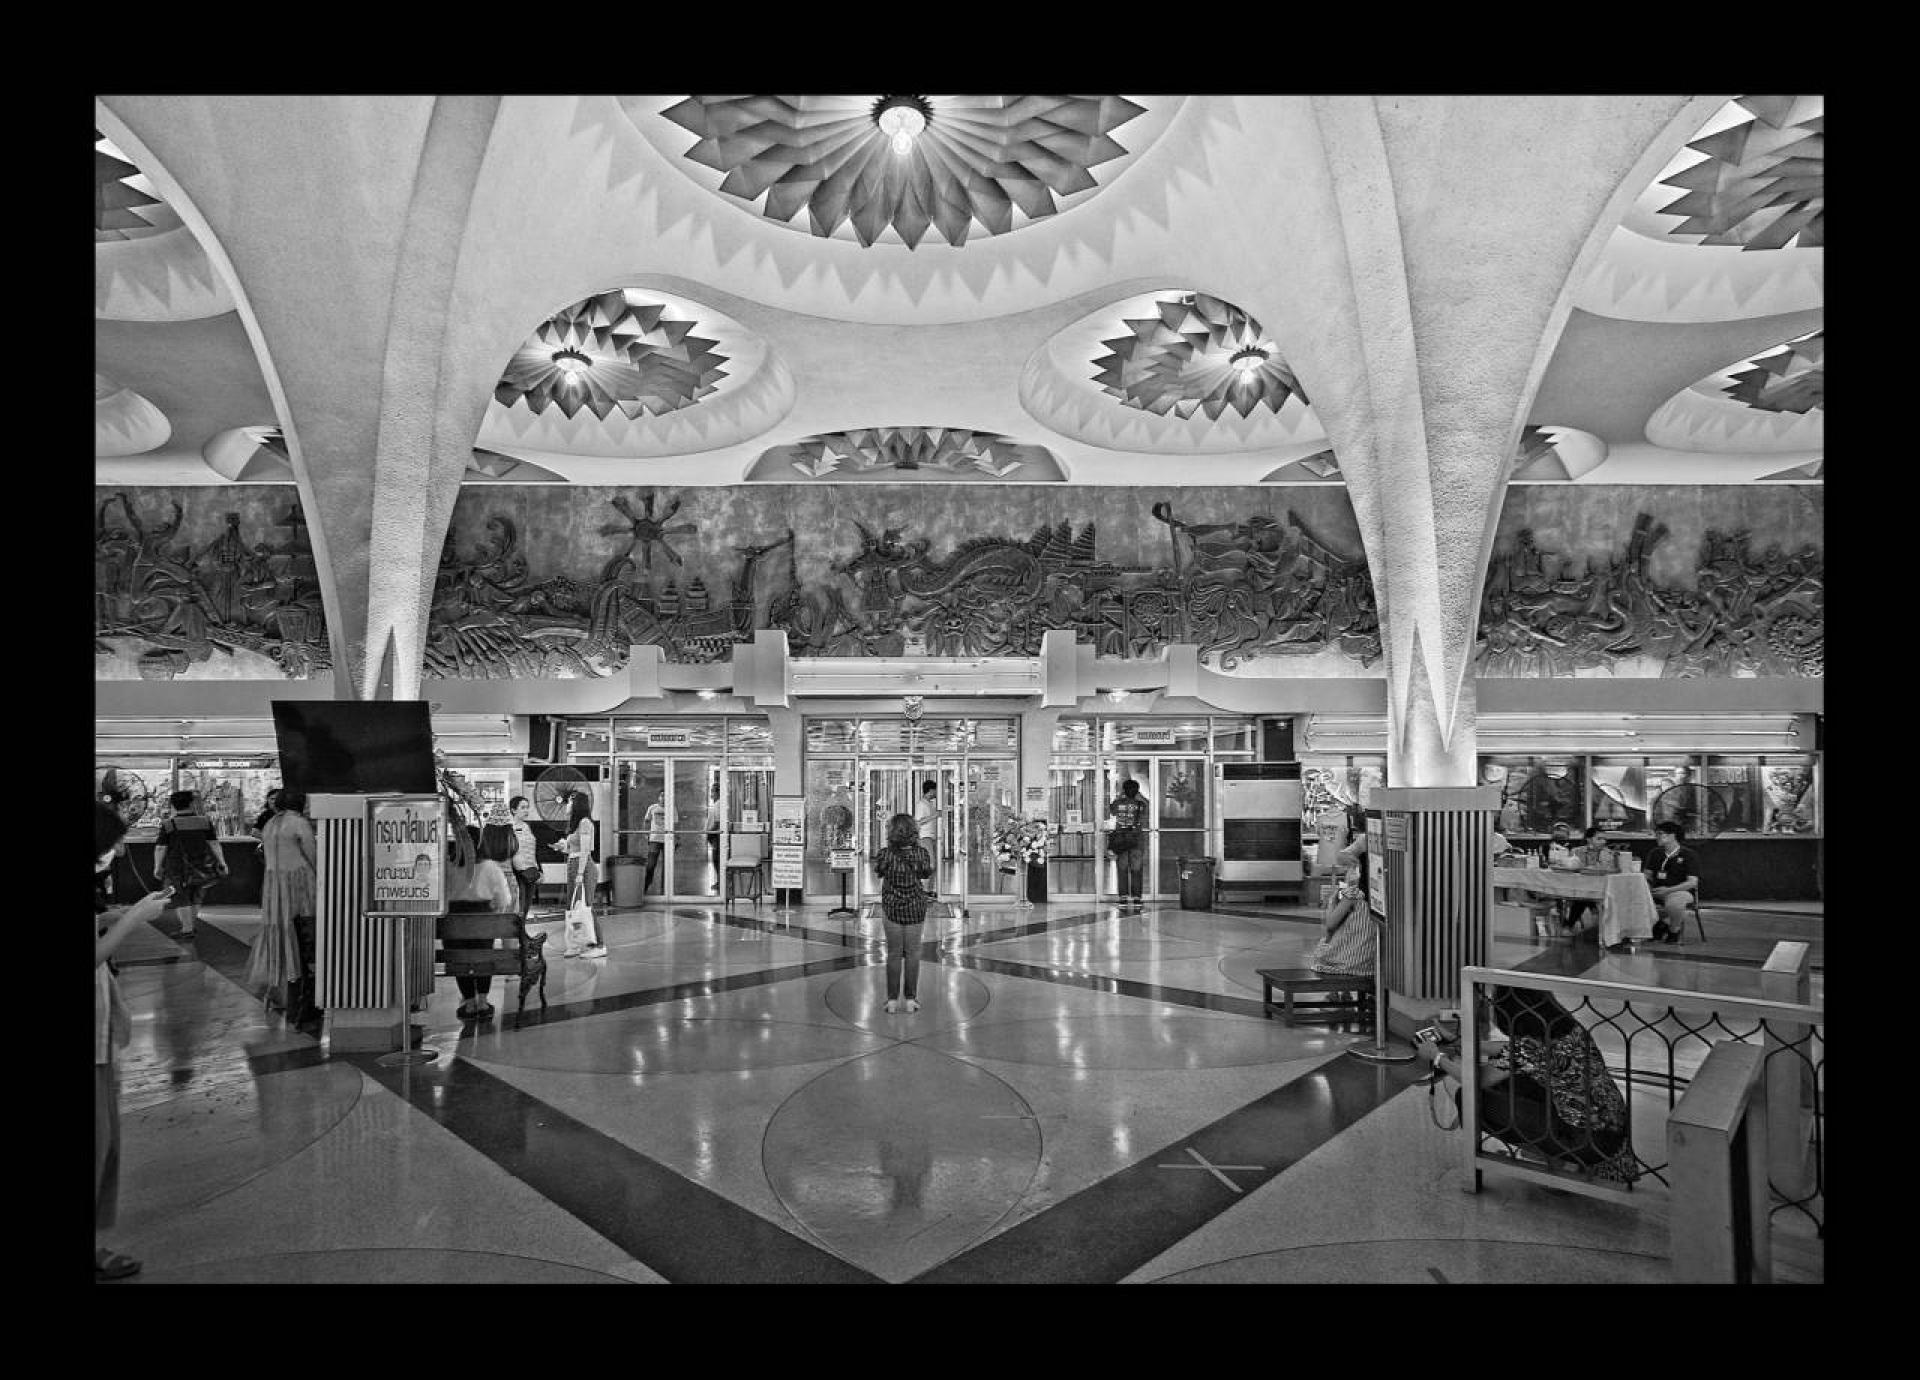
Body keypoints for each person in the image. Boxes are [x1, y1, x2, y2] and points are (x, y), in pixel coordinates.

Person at [1416, 984, 1638, 1184]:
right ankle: (1557, 1154)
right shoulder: (1567, 1027)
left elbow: (1478, 1079)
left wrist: (1437, 1057)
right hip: (1611, 1127)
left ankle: (1562, 1158)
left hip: (1586, 1141)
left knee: (1470, 1097)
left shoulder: (1530, 1047)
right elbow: (1510, 1050)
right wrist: (1459, 1042)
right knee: (1513, 1081)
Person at [96, 802, 175, 1281]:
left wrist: (116, 916)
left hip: (102, 1032)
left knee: (106, 1143)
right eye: (111, 844)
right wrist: (134, 919)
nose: (118, 852)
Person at [245, 788, 316, 1017]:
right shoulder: (298, 823)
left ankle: (278, 989)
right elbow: (311, 855)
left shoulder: (271, 824)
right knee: (301, 935)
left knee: (277, 931)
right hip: (298, 884)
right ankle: (302, 994)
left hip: (273, 885)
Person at [446, 819, 518, 1019]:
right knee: (484, 956)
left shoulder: (449, 867)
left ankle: (468, 1003)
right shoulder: (490, 867)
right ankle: (483, 1001)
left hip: (454, 927)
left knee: (460, 959)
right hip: (483, 924)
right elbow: (505, 900)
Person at [873, 812, 933, 1014]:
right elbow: (926, 873)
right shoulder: (922, 853)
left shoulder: (885, 854)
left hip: (891, 908)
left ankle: (891, 1001)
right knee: (913, 953)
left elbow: (879, 871)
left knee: (894, 953)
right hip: (915, 906)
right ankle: (910, 999)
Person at [153, 789, 227, 939]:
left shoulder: (169, 824)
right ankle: (190, 926)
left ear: (173, 805)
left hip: (176, 866)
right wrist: (222, 862)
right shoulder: (204, 821)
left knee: (179, 895)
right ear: (192, 804)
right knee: (196, 893)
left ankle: (187, 929)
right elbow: (214, 843)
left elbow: (161, 847)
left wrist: (157, 866)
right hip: (201, 864)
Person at [1309, 829, 1374, 975]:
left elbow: (1330, 925)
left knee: (1323, 950)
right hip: (1371, 963)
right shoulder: (1380, 902)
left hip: (1348, 963)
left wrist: (1332, 902)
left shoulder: (1353, 895)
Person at [564, 792, 607, 957]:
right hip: (573, 864)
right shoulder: (574, 824)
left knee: (586, 907)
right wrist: (562, 847)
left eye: (569, 802)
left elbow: (585, 851)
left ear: (576, 804)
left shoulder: (585, 823)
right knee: (572, 908)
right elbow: (574, 848)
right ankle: (577, 944)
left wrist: (580, 873)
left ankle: (599, 945)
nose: (566, 805)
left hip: (584, 867)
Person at [1643, 821, 1699, 943]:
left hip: (1679, 890)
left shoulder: (1688, 855)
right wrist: (1647, 888)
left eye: (1660, 834)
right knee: (1634, 898)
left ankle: (1673, 929)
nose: (1656, 837)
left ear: (1672, 835)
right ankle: (1655, 925)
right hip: (1656, 890)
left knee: (1674, 903)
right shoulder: (1655, 853)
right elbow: (1647, 875)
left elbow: (1692, 882)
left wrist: (1668, 890)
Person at [1105, 778, 1149, 906]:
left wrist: (1121, 795)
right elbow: (1148, 807)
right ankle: (1136, 897)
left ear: (1124, 790)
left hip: (1121, 839)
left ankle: (1123, 897)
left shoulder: (1118, 804)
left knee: (1122, 868)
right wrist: (1139, 796)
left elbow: (1111, 810)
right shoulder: (1141, 804)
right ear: (1137, 791)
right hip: (1136, 840)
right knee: (1136, 869)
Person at [1562, 825, 1609, 936]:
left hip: (1603, 887)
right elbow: (1572, 868)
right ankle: (1570, 924)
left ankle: (1569, 925)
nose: (1603, 842)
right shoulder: (1576, 852)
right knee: (1583, 896)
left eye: (1604, 839)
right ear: (1589, 839)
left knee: (1585, 896)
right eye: (1599, 839)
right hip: (1578, 887)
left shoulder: (1608, 853)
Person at [508, 795, 542, 924]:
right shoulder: (508, 827)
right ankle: (518, 935)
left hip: (531, 872)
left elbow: (535, 851)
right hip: (517, 873)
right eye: (523, 807)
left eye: (527, 807)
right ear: (513, 810)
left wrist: (540, 870)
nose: (526, 810)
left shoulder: (528, 827)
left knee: (527, 905)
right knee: (519, 906)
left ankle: (522, 933)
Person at [914, 779, 941, 898]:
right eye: (935, 790)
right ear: (931, 790)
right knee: (931, 864)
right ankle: (923, 890)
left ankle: (929, 890)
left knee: (934, 865)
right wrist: (934, 816)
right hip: (925, 837)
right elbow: (918, 822)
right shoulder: (921, 804)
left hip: (932, 837)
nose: (936, 793)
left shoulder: (930, 804)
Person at [639, 790, 667, 895]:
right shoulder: (652, 808)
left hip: (667, 840)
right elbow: (646, 821)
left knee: (667, 866)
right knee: (650, 865)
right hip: (654, 840)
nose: (664, 798)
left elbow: (676, 824)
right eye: (662, 796)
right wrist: (646, 834)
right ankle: (646, 885)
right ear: (658, 797)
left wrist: (676, 838)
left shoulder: (672, 808)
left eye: (666, 796)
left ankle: (665, 890)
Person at [705, 781, 722, 875]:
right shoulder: (716, 804)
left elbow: (717, 822)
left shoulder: (718, 805)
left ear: (718, 793)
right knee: (715, 859)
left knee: (716, 859)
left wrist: (709, 832)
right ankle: (720, 881)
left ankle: (721, 881)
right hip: (714, 835)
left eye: (712, 791)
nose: (711, 794)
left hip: (716, 835)